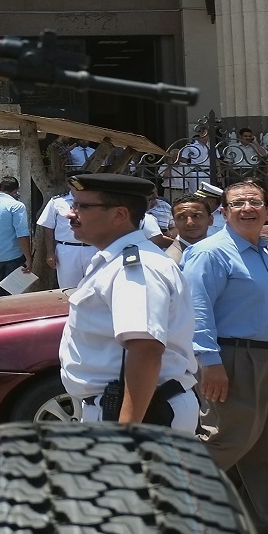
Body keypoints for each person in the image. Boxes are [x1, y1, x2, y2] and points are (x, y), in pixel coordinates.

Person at [181, 181, 268, 534]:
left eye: (254, 201)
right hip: (233, 357)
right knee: (223, 442)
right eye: (238, 203)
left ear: (266, 209)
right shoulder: (211, 253)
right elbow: (196, 310)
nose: (247, 208)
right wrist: (210, 362)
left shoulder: (263, 251)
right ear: (223, 212)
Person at [57, 174, 199, 431]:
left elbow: (145, 349)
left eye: (82, 206)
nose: (70, 214)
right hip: (121, 408)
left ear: (120, 214)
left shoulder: (135, 267)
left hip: (144, 414)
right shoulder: (114, 260)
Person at [38, 181, 98, 289]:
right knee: (68, 288)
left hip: (93, 248)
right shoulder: (57, 202)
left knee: (94, 287)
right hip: (67, 250)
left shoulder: (95, 201)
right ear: (70, 184)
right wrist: (50, 253)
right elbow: (48, 228)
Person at [163, 195, 215, 263]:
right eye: (181, 217)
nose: (190, 223)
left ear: (210, 220)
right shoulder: (171, 262)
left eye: (196, 216)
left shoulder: (217, 249)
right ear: (174, 222)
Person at [168, 127, 213, 194]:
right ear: (201, 134)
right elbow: (183, 159)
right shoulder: (191, 146)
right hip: (195, 173)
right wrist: (189, 167)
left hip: (209, 172)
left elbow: (216, 159)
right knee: (196, 193)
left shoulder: (212, 146)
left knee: (209, 193)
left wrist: (219, 173)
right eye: (207, 134)